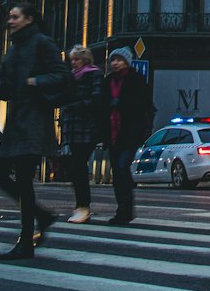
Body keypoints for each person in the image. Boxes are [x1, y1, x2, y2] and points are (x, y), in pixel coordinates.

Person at [0, 0, 67, 260]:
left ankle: (25, 241)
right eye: (10, 17)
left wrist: (36, 81)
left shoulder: (42, 43)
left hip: (34, 119)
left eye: (15, 16)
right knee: (0, 175)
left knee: (23, 179)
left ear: (29, 19)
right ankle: (41, 216)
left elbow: (62, 76)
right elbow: (6, 87)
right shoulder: (13, 49)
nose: (10, 21)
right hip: (15, 120)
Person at [105, 47, 154, 224]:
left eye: (119, 60)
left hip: (130, 132)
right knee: (117, 173)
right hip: (112, 133)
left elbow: (143, 105)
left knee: (121, 167)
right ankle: (122, 210)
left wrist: (121, 103)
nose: (115, 63)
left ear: (127, 62)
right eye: (113, 60)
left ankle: (126, 209)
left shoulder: (136, 80)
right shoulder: (108, 81)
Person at [62, 45, 104, 224]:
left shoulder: (93, 74)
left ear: (85, 59)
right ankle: (80, 206)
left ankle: (83, 207)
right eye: (72, 60)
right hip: (73, 128)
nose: (74, 63)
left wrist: (75, 105)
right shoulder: (71, 77)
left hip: (87, 128)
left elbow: (97, 99)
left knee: (78, 166)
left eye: (77, 59)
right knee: (75, 167)